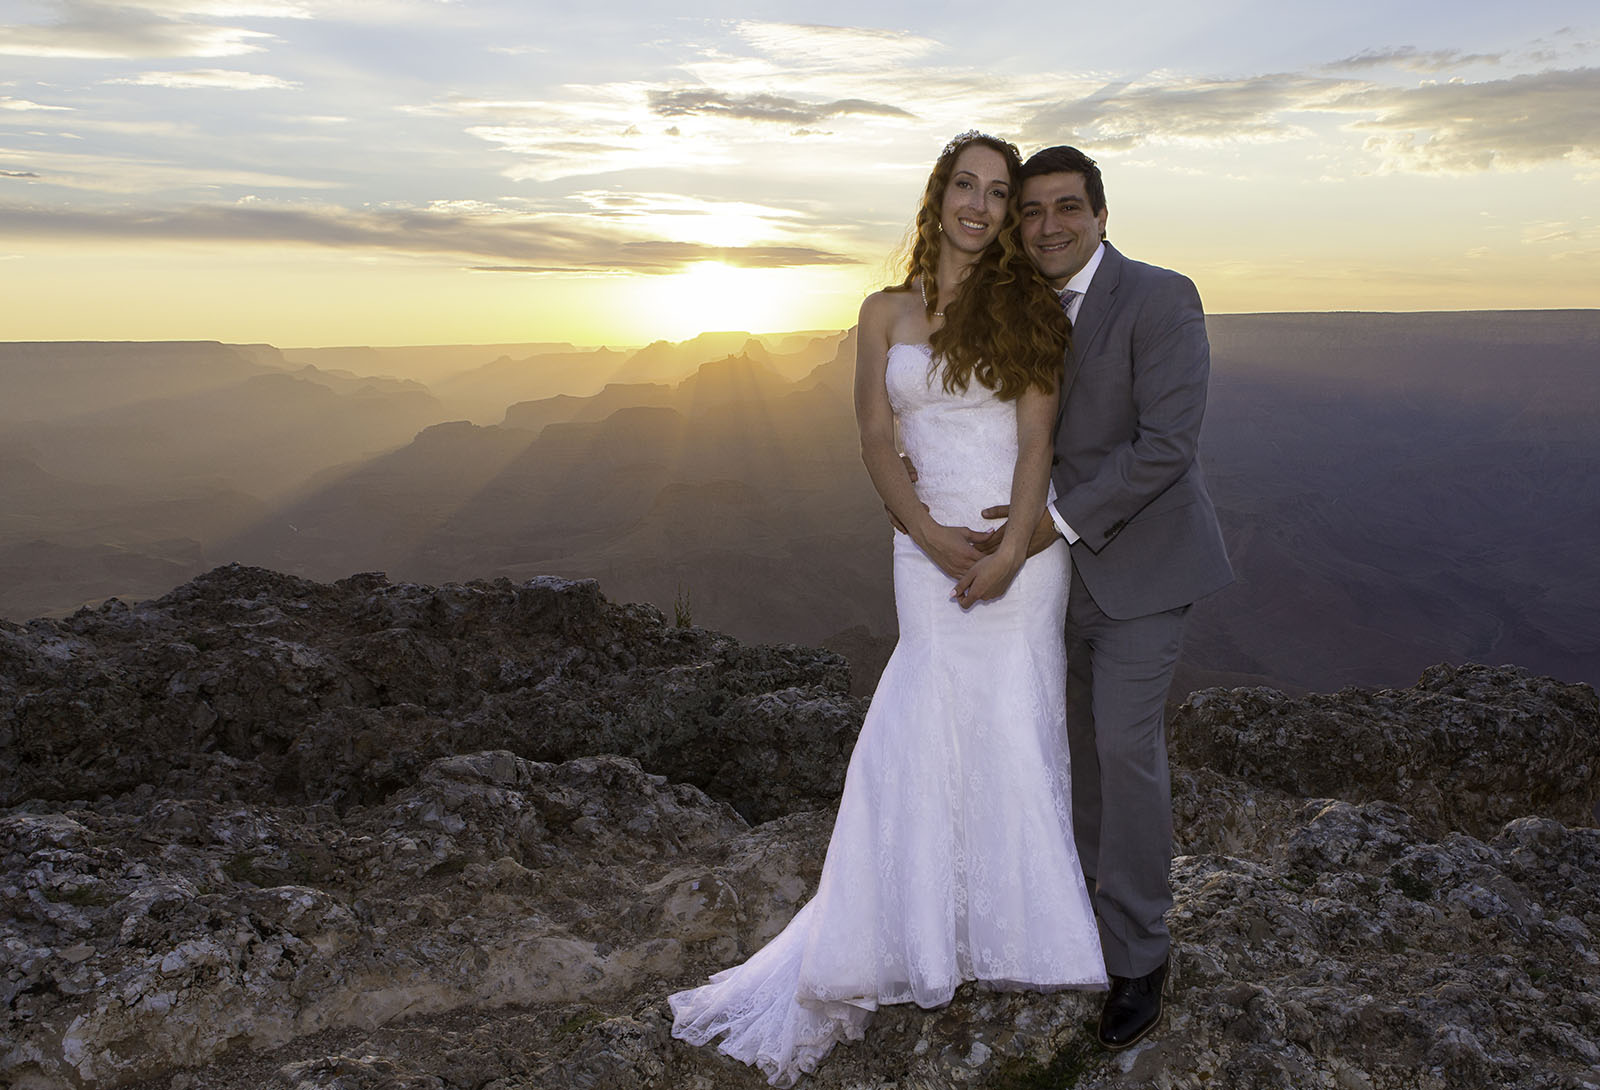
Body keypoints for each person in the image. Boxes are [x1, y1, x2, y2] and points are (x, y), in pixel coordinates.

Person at [668, 132, 1106, 1086]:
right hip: (924, 551)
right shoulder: (881, 314)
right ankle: (907, 938)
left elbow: (1037, 443)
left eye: (1000, 193)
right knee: (923, 721)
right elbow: (874, 439)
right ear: (937, 196)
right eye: (968, 186)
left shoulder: (1030, 309)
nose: (983, 207)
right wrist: (931, 536)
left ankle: (1020, 936)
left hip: (1019, 554)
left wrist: (1013, 545)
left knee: (1014, 728)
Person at [980, 145, 1234, 1050]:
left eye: (1068, 208)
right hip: (1050, 581)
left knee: (1124, 751)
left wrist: (1047, 520)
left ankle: (1139, 955)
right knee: (1072, 747)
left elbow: (1169, 444)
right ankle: (1080, 911)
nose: (1049, 225)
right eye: (1034, 210)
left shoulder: (1160, 297)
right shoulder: (1014, 306)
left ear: (1100, 215)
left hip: (1141, 569)